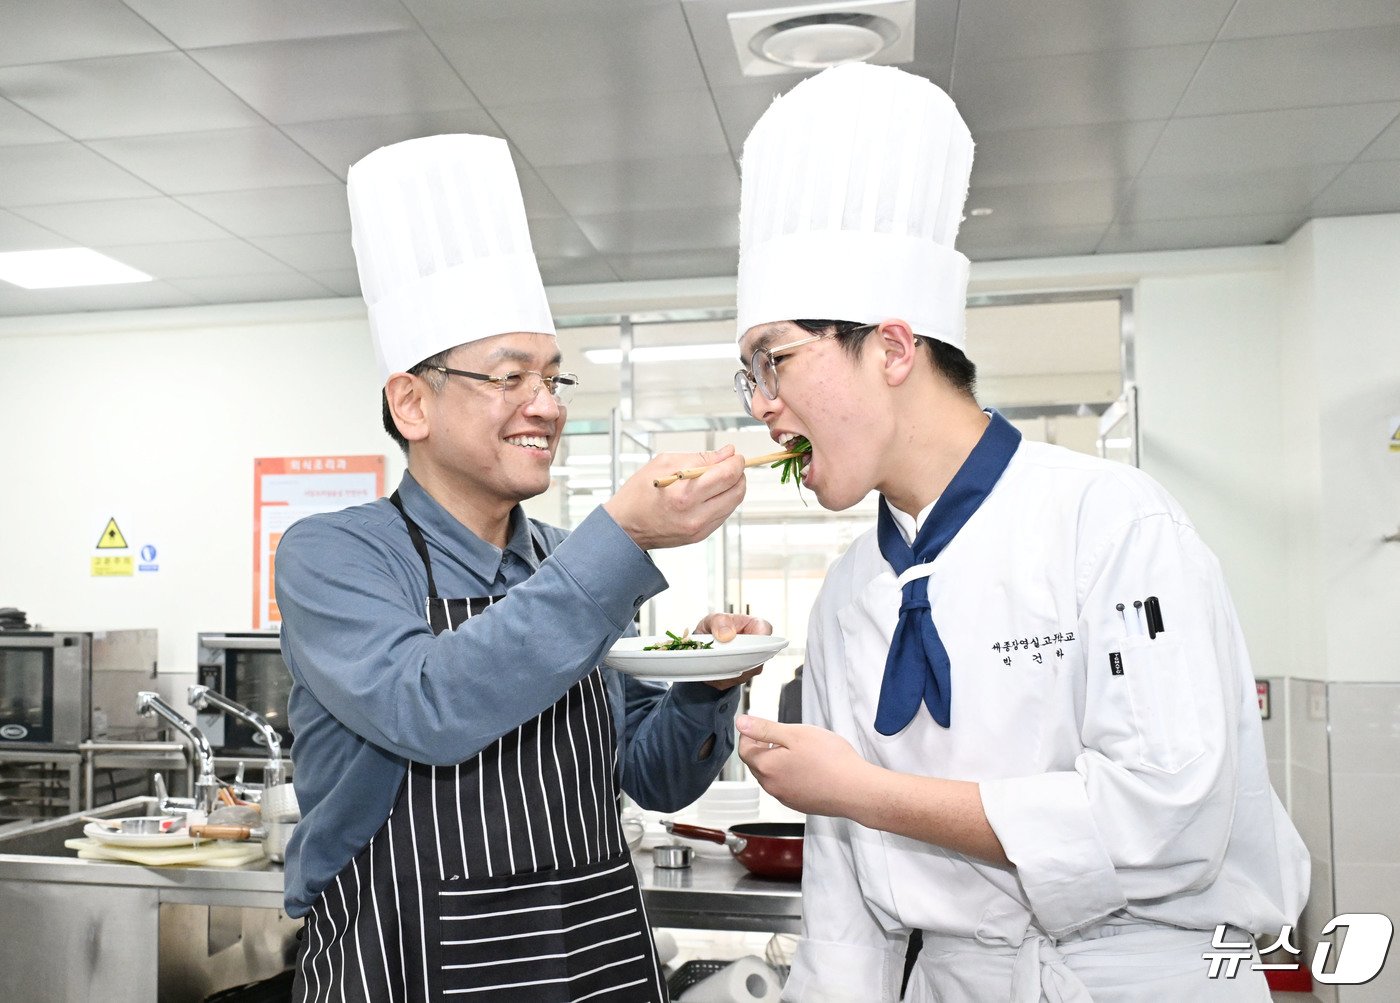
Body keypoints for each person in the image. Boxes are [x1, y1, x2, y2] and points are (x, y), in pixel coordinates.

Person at [727, 64, 1309, 1002]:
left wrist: (862, 790)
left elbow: (1167, 814)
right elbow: (845, 907)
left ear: (891, 348)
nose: (762, 406)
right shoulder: (848, 593)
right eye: (748, 375)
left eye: (775, 361)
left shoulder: (1109, 520)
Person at [275, 133, 767, 1003]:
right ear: (412, 402)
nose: (547, 405)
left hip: (592, 948)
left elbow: (650, 776)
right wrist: (620, 536)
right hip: (411, 956)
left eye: (554, 376)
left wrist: (710, 685)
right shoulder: (336, 554)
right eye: (510, 377)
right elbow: (428, 703)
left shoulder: (561, 561)